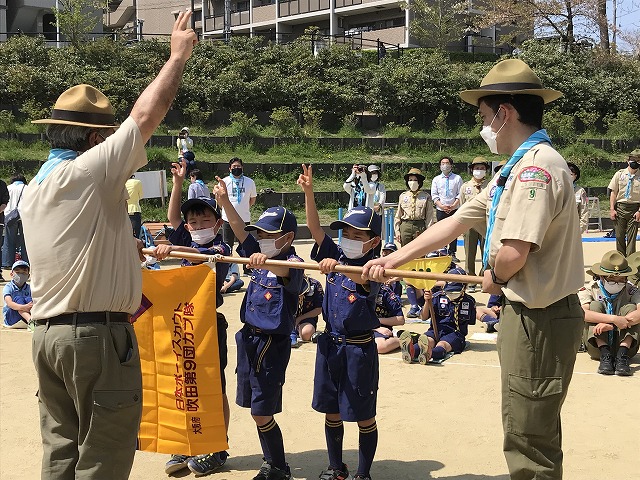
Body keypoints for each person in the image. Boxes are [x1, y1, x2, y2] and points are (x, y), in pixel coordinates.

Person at [363, 58, 585, 480]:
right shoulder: (514, 169)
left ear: (505, 113)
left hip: (540, 317)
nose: (482, 127)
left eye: (484, 117)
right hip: (533, 316)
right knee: (530, 422)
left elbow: (514, 252)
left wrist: (495, 280)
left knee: (528, 433)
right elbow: (457, 221)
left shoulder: (535, 169)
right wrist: (394, 260)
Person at [20, 12, 198, 479]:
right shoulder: (89, 170)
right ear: (96, 138)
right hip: (94, 337)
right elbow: (146, 115)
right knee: (104, 454)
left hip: (47, 336)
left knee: (61, 450)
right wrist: (177, 57)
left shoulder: (36, 186)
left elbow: (77, 245)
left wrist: (121, 251)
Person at [216, 173, 305, 480]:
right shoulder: (261, 253)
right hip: (250, 340)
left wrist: (264, 261)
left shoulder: (292, 263)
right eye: (261, 234)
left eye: (270, 234)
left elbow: (286, 272)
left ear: (288, 237)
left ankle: (278, 466)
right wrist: (225, 200)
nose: (263, 239)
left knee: (262, 409)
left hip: (271, 346)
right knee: (255, 408)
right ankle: (272, 462)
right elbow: (239, 229)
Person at [298, 164, 381, 480]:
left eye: (358, 235)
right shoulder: (336, 253)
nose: (349, 239)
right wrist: (308, 192)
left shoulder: (375, 267)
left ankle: (363, 473)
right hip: (329, 346)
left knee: (363, 414)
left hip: (358, 351)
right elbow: (314, 227)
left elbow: (362, 280)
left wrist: (338, 266)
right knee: (330, 410)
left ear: (373, 242)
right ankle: (336, 467)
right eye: (346, 233)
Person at [154, 159, 232, 476]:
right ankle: (185, 443)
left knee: (214, 387)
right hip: (183, 326)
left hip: (210, 325)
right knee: (184, 384)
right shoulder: (185, 240)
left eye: (205, 220)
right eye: (194, 222)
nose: (199, 226)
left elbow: (202, 257)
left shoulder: (222, 248)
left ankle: (218, 447)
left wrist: (171, 250)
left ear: (217, 223)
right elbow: (173, 218)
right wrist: (177, 184)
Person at [578, 251, 640, 376]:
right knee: (595, 306)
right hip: (596, 346)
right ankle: (605, 354)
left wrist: (612, 325)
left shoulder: (631, 290)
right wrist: (612, 319)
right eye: (612, 280)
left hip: (628, 346)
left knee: (630, 307)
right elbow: (583, 313)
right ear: (601, 277)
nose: (617, 284)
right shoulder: (590, 289)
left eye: (621, 280)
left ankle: (622, 355)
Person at [399, 268, 475, 364]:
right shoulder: (437, 297)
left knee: (442, 344)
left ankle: (429, 353)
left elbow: (471, 321)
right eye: (449, 291)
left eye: (455, 292)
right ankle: (411, 350)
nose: (451, 294)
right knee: (427, 341)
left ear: (464, 287)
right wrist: (427, 302)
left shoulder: (469, 301)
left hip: (455, 333)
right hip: (435, 330)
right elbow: (423, 317)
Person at [394, 168, 433, 318]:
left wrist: (429, 233)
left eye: (415, 180)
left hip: (420, 226)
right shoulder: (403, 196)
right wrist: (397, 230)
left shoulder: (426, 197)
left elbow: (429, 217)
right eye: (410, 180)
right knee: (406, 259)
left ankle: (421, 296)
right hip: (406, 225)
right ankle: (412, 300)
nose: (412, 182)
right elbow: (398, 215)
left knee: (420, 259)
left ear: (420, 182)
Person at [459, 156, 490, 290]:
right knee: (469, 253)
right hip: (470, 224)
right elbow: (462, 206)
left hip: (485, 223)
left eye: (482, 168)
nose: (479, 170)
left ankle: (484, 278)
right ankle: (471, 280)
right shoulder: (465, 186)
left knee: (486, 253)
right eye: (477, 168)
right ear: (472, 170)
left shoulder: (490, 185)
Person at [220, 157, 257, 252]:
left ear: (242, 168)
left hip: (244, 218)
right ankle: (228, 261)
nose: (236, 168)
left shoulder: (250, 182)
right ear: (230, 169)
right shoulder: (224, 182)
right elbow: (220, 200)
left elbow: (252, 199)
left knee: (245, 244)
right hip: (227, 219)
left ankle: (245, 262)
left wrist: (244, 207)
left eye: (238, 166)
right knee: (227, 244)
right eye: (234, 167)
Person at [608, 149, 640, 255]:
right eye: (633, 160)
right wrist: (612, 209)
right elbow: (613, 192)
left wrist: (639, 211)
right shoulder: (619, 174)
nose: (635, 162)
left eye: (638, 160)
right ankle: (620, 260)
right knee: (619, 236)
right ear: (628, 161)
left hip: (634, 209)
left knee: (632, 237)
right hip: (620, 208)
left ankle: (631, 261)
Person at [431, 156, 463, 261]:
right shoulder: (436, 179)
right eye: (443, 163)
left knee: (454, 231)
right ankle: (442, 251)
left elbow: (460, 193)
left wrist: (454, 205)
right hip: (441, 209)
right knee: (441, 231)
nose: (445, 165)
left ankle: (452, 253)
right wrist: (441, 205)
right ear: (440, 166)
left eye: (447, 163)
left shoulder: (457, 178)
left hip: (454, 209)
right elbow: (434, 194)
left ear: (451, 165)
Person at [1, 174, 28, 268]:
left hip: (9, 217)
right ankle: (25, 262)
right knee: (25, 241)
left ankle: (7, 263)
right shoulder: (27, 188)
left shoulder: (8, 188)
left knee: (8, 240)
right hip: (24, 216)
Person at [291, 275, 324, 347]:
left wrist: (299, 319)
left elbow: (319, 309)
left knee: (307, 333)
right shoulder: (282, 282)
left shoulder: (314, 284)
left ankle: (297, 330)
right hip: (287, 317)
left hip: (306, 318)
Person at [373, 283, 405, 354]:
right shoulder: (354, 290)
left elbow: (400, 320)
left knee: (380, 346)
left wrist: (376, 322)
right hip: (359, 327)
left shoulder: (385, 292)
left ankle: (404, 340)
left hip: (379, 328)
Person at [2, 260, 32, 329]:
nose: (21, 275)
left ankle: (31, 320)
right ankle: (30, 320)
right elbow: (9, 303)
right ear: (11, 274)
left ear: (28, 276)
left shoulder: (29, 288)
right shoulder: (8, 287)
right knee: (19, 298)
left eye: (24, 272)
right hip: (11, 318)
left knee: (29, 299)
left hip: (24, 315)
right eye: (17, 272)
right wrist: (24, 307)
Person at [566, 162, 589, 234]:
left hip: (573, 227)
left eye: (571, 174)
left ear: (575, 176)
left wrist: (580, 228)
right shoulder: (557, 189)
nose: (568, 176)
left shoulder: (580, 191)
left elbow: (583, 211)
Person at [367, 165, 387, 240]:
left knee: (377, 233)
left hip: (378, 212)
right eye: (372, 173)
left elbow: (382, 196)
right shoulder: (366, 185)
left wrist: (378, 205)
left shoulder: (380, 186)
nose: (374, 174)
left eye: (375, 172)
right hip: (368, 212)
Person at [125, 174, 143, 238]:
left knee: (126, 235)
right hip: (135, 209)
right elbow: (141, 196)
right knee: (136, 235)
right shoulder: (137, 182)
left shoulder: (122, 183)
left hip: (123, 211)